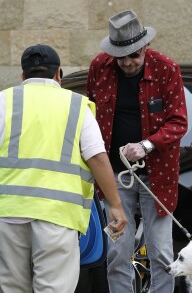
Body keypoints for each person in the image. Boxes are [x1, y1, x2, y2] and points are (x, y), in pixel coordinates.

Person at [0, 44, 127, 293]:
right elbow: (97, 158)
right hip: (57, 217)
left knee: (13, 288)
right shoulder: (76, 106)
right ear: (59, 73)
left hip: (8, 214)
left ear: (23, 76)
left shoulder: (4, 100)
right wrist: (116, 206)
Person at [87, 10, 188, 292]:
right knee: (117, 253)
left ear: (145, 46)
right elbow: (90, 115)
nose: (128, 63)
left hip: (158, 175)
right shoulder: (99, 67)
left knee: (161, 254)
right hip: (113, 175)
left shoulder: (167, 69)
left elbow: (179, 122)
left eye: (134, 55)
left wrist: (146, 145)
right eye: (121, 57)